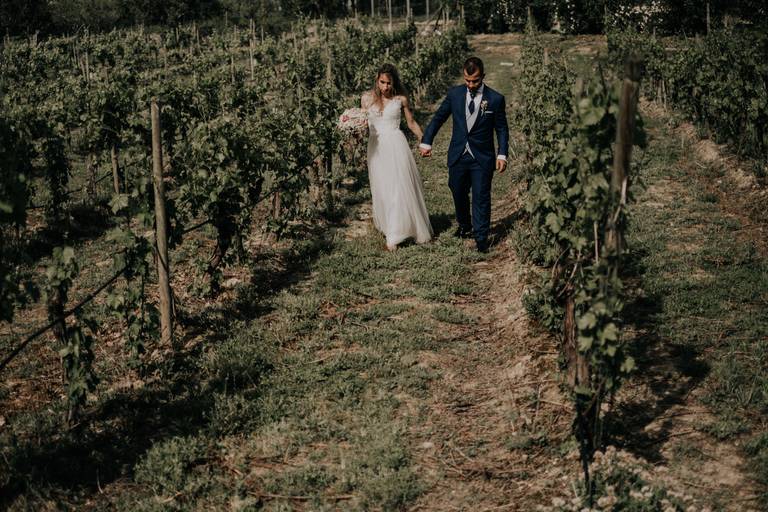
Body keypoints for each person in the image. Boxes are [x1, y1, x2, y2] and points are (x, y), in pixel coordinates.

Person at [419, 57, 509, 253]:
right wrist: (427, 141)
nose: (470, 85)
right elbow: (439, 118)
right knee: (457, 188)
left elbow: (502, 129)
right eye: (467, 80)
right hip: (458, 154)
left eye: (475, 81)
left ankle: (481, 238)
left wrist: (502, 154)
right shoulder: (455, 94)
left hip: (482, 157)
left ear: (483, 77)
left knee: (481, 196)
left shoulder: (495, 99)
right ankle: (465, 224)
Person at [362, 63, 433, 251]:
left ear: (394, 83)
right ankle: (391, 226)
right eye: (382, 82)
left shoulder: (400, 99)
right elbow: (363, 125)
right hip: (376, 148)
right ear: (377, 80)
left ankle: (394, 235)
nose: (385, 87)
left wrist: (424, 140)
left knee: (397, 187)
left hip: (395, 145)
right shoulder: (366, 99)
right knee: (382, 188)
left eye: (389, 83)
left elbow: (411, 123)